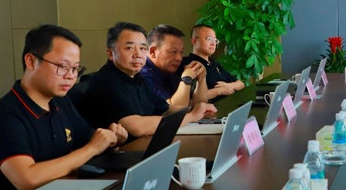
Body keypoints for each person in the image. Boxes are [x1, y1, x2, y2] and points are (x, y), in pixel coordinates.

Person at [0, 25, 127, 190]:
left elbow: (89, 140)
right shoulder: (4, 117)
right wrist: (92, 148)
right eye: (62, 67)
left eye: (75, 68)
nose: (71, 76)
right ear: (31, 61)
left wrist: (110, 139)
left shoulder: (60, 103)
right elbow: (27, 179)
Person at [79, 22, 216, 138]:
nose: (138, 54)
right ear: (110, 53)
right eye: (129, 48)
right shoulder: (106, 82)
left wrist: (196, 109)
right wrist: (192, 116)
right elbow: (138, 127)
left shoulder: (138, 78)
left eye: (142, 48)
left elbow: (166, 110)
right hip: (119, 154)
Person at [141, 24, 209, 106]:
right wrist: (186, 78)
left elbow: (199, 104)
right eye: (173, 52)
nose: (179, 58)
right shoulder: (142, 75)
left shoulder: (168, 70)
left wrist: (201, 79)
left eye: (181, 52)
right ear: (153, 52)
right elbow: (171, 109)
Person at [183, 24, 245, 103]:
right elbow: (188, 101)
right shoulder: (188, 64)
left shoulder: (214, 64)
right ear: (194, 41)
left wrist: (229, 86)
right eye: (209, 39)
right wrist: (218, 91)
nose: (213, 43)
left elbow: (241, 84)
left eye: (215, 40)